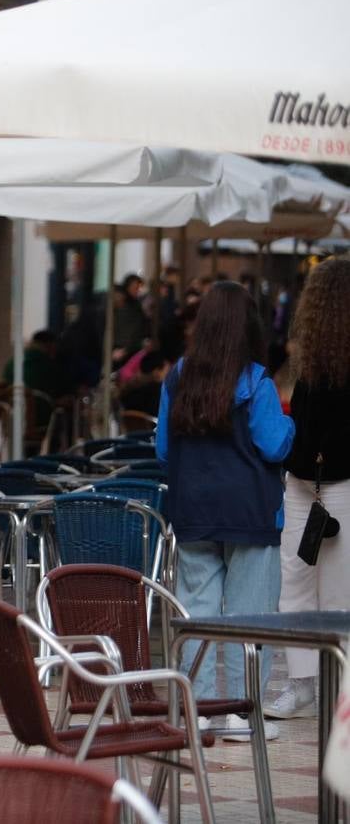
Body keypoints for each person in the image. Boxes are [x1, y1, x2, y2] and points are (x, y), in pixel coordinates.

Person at [157, 282, 293, 738]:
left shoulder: (178, 376)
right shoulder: (257, 381)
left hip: (192, 510)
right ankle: (238, 713)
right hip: (251, 513)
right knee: (248, 616)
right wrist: (290, 424)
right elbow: (274, 445)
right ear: (247, 327)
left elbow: (162, 449)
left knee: (195, 612)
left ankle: (193, 708)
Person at [272, 259, 350, 720]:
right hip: (305, 485)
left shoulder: (321, 363)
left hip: (331, 485)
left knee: (329, 589)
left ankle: (336, 687)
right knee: (297, 581)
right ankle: (304, 683)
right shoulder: (314, 362)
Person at [113, 273, 150, 365]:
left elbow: (141, 325)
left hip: (132, 350)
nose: (137, 291)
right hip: (119, 350)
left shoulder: (137, 305)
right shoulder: (120, 305)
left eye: (138, 288)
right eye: (135, 288)